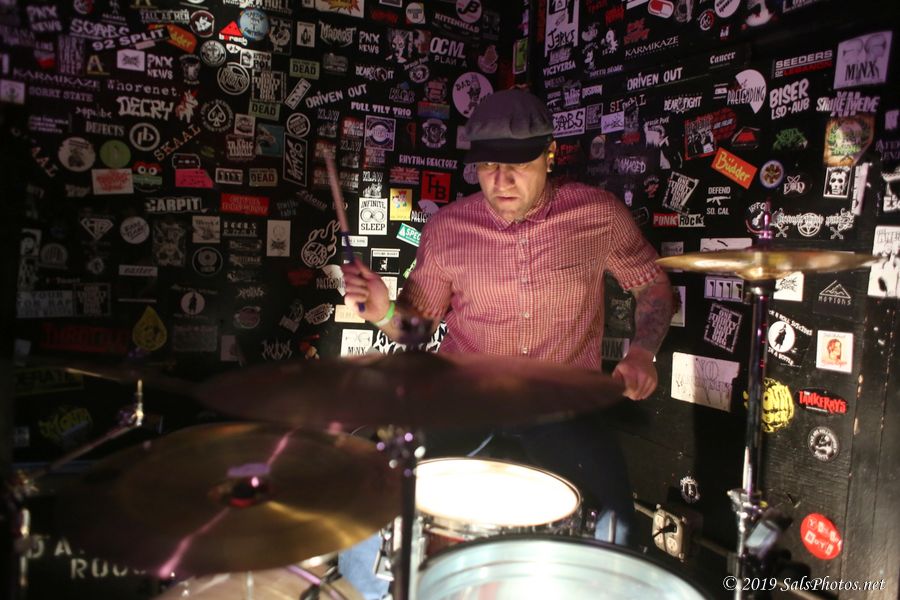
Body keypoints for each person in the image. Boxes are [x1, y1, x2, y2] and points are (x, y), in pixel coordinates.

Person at [338, 88, 674, 599]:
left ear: (549, 154)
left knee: (617, 535)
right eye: (489, 166)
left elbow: (652, 284)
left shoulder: (597, 215)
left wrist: (642, 352)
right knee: (374, 516)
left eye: (518, 164)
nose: (502, 181)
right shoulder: (448, 229)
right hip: (464, 399)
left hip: (563, 405)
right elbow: (417, 329)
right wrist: (385, 311)